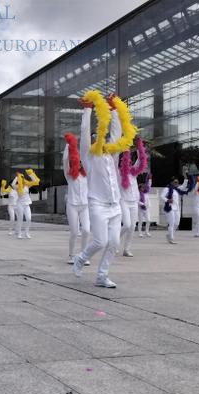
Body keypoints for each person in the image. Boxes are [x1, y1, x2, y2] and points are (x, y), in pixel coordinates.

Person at [72, 91, 136, 288]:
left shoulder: (111, 155)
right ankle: (81, 258)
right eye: (95, 138)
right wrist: (87, 110)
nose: (99, 140)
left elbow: (116, 134)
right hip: (97, 204)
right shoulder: (89, 157)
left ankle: (102, 275)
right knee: (100, 241)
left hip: (115, 205)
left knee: (114, 242)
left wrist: (115, 110)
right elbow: (83, 135)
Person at [62, 132, 90, 264]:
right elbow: (65, 161)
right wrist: (69, 146)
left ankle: (84, 256)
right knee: (74, 232)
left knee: (86, 230)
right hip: (72, 205)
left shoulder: (86, 176)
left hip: (84, 206)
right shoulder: (69, 176)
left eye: (80, 162)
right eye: (76, 161)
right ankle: (72, 255)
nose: (78, 163)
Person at [118, 136, 148, 257]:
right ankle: (114, 242)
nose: (129, 163)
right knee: (126, 224)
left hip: (134, 202)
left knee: (132, 227)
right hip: (124, 201)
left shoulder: (133, 173)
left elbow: (141, 161)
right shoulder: (118, 173)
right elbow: (116, 159)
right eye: (127, 161)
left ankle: (126, 249)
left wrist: (139, 146)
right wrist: (124, 145)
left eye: (130, 162)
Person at [161, 175, 191, 244]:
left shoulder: (177, 189)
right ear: (171, 182)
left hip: (176, 208)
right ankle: (171, 238)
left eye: (177, 182)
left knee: (177, 223)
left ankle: (169, 235)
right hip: (170, 208)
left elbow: (184, 186)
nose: (176, 183)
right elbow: (162, 196)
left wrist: (186, 179)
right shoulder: (167, 189)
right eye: (175, 182)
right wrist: (167, 200)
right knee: (171, 223)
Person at [12, 169, 40, 239]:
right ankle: (19, 233)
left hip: (27, 204)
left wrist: (31, 174)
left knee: (29, 218)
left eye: (22, 178)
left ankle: (26, 232)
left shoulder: (27, 185)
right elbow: (12, 185)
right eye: (20, 178)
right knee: (20, 219)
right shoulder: (17, 187)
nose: (22, 179)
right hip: (20, 204)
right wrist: (16, 177)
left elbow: (35, 181)